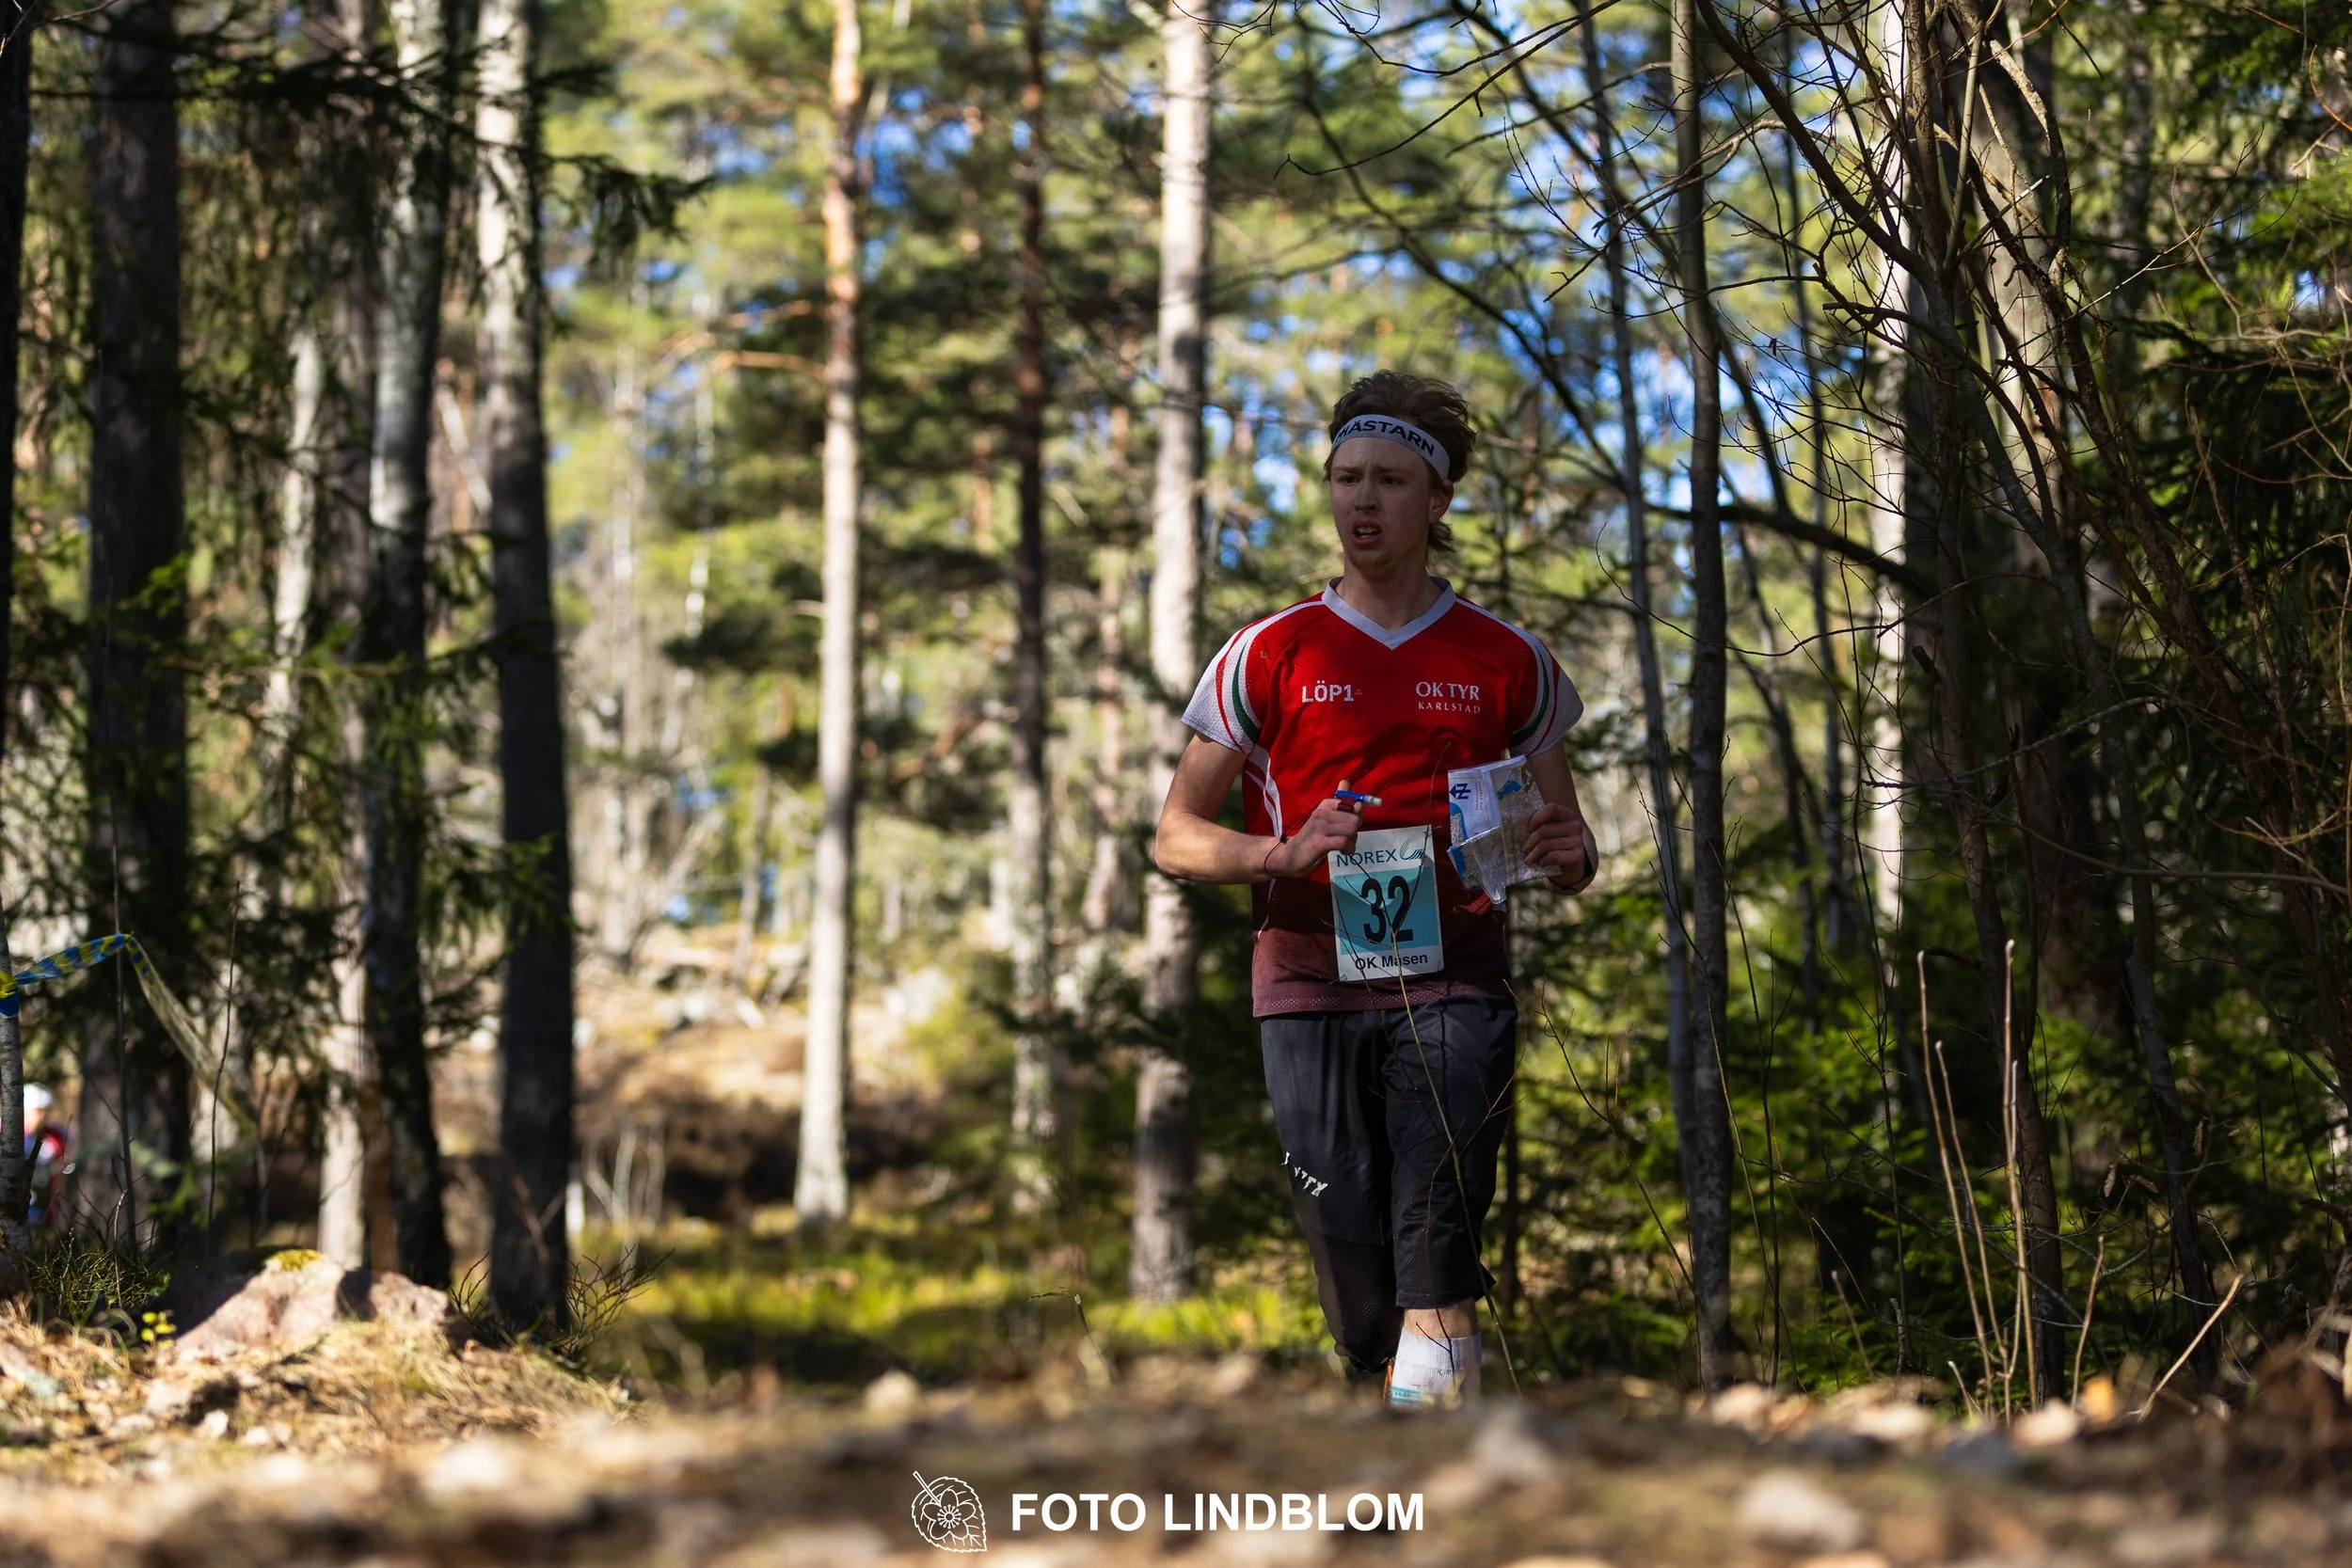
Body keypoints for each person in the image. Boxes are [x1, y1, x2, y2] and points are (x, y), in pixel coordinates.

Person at [1152, 370, 1597, 1408]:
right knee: (1344, 1226)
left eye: (1390, 480)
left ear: (1435, 500)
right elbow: (1174, 837)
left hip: (1456, 976)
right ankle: (1380, 1381)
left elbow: (1565, 847)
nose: (1363, 501)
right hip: (1307, 975)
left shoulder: (1507, 659)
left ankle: (1434, 1434)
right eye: (1345, 478)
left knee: (1438, 1203)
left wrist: (1569, 858)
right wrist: (1281, 854)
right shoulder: (1269, 651)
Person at [23, 1084, 67, 1227]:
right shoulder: (4, 1132)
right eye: (37, 1111)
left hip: (42, 1208)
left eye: (45, 1111)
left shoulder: (56, 1137)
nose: (42, 1116)